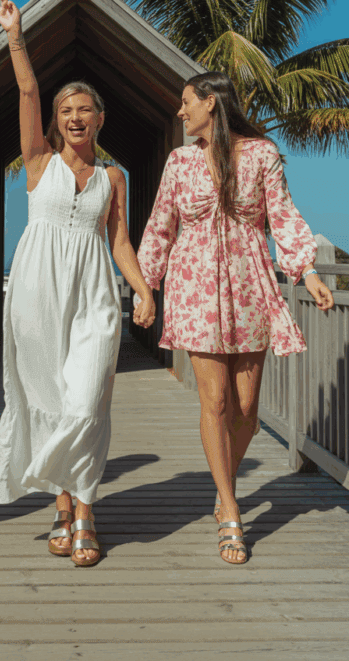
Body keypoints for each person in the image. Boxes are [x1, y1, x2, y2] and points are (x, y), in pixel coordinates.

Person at [0, 0, 155, 567]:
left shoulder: (114, 178)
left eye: (84, 110)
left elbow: (119, 241)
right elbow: (27, 91)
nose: (75, 118)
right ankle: (69, 508)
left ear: (100, 119)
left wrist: (142, 288)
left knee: (87, 400)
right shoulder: (38, 162)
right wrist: (15, 37)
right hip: (36, 292)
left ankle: (82, 507)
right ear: (55, 123)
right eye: (66, 111)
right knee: (51, 399)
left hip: (94, 294)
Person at [136, 71, 334, 565]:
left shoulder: (263, 154)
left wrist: (307, 272)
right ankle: (229, 507)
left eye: (186, 101)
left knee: (246, 409)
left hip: (250, 284)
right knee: (217, 400)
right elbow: (160, 226)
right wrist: (146, 288)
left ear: (211, 103)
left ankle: (222, 480)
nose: (180, 111)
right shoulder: (180, 161)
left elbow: (283, 215)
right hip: (195, 285)